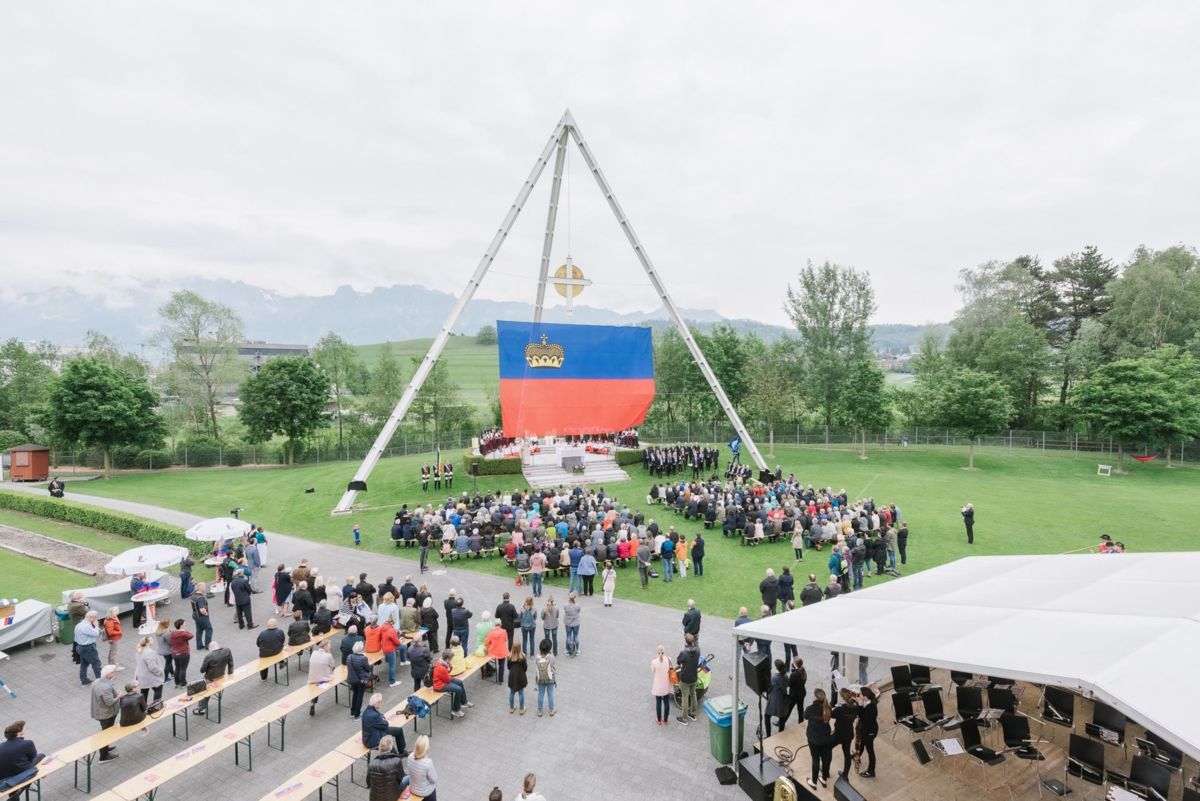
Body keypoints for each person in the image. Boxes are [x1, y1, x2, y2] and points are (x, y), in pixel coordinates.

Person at [0, 721, 44, 801]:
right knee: (41, 755)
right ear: (19, 733)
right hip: (21, 773)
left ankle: (14, 796)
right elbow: (32, 757)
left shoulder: (1, 746)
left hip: (4, 776)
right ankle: (17, 794)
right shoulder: (27, 743)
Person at [192, 641, 234, 716]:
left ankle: (201, 709)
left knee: (204, 691)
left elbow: (202, 670)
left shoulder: (209, 656)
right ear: (218, 645)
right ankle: (216, 696)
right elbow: (231, 663)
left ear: (210, 648)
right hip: (221, 675)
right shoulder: (227, 650)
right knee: (209, 689)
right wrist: (230, 673)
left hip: (210, 677)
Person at [89, 665, 122, 762]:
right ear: (108, 674)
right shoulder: (106, 687)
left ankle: (106, 748)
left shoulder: (97, 682)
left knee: (106, 732)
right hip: (106, 714)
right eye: (114, 672)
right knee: (106, 734)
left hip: (100, 712)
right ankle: (103, 756)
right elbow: (110, 702)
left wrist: (115, 693)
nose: (115, 674)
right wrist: (119, 696)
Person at [804, 688, 834, 790]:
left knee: (815, 759)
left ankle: (814, 782)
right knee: (826, 759)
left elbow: (805, 716)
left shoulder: (810, 708)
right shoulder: (828, 708)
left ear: (816, 697)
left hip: (814, 739)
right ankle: (824, 779)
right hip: (826, 738)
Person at [366, 734, 408, 801]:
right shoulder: (397, 761)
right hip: (392, 797)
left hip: (375, 798)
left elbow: (368, 783)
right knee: (408, 777)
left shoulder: (372, 764)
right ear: (391, 747)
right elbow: (401, 780)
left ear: (379, 747)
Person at [431, 649, 471, 718]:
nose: (451, 660)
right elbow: (448, 679)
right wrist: (450, 667)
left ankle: (464, 702)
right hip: (439, 686)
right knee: (458, 689)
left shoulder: (441, 662)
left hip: (443, 680)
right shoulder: (441, 668)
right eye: (451, 659)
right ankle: (456, 710)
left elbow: (447, 676)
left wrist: (450, 666)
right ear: (447, 659)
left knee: (460, 682)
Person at [833, 688, 859, 777]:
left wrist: (837, 706)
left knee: (827, 749)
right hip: (849, 734)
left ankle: (825, 770)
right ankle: (845, 774)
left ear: (842, 698)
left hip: (839, 734)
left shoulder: (840, 709)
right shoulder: (855, 707)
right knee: (847, 754)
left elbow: (832, 715)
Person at [675, 633, 700, 725]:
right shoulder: (697, 650)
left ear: (685, 641)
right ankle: (693, 714)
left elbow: (678, 661)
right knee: (693, 695)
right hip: (694, 677)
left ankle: (684, 719)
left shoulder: (683, 652)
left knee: (685, 698)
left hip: (685, 678)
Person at [307, 639, 336, 716]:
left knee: (317, 686)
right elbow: (332, 666)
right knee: (331, 673)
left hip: (312, 678)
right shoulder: (328, 655)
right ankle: (314, 701)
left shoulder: (314, 653)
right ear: (325, 646)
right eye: (329, 646)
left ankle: (313, 702)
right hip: (324, 678)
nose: (331, 647)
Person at [73, 611, 103, 685]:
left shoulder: (78, 625)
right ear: (91, 617)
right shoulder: (86, 626)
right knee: (96, 663)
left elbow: (75, 638)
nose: (96, 619)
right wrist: (96, 626)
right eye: (95, 617)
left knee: (84, 663)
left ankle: (84, 680)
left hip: (80, 647)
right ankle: (101, 681)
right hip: (88, 648)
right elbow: (96, 633)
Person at [405, 735, 438, 801]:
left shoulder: (410, 756)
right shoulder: (427, 763)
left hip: (413, 789)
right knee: (433, 788)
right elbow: (434, 779)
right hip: (425, 793)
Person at [134, 636, 165, 703]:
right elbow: (152, 667)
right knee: (158, 687)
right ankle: (156, 705)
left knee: (144, 691)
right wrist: (160, 672)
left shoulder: (139, 650)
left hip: (141, 676)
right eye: (151, 640)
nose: (153, 640)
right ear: (147, 643)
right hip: (149, 676)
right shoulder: (150, 652)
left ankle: (143, 708)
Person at [347, 641, 373, 720]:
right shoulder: (363, 658)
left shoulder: (349, 657)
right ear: (361, 649)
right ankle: (357, 715)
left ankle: (352, 712)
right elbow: (368, 669)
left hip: (352, 679)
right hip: (361, 680)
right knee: (359, 696)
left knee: (355, 694)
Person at [858, 687, 878, 778]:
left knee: (870, 751)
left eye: (860, 694)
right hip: (866, 729)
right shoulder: (868, 702)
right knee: (861, 743)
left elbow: (863, 718)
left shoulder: (871, 707)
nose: (859, 695)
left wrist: (860, 706)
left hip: (870, 731)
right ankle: (857, 757)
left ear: (865, 696)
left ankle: (871, 771)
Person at [766, 659, 790, 736]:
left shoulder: (774, 677)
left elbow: (769, 689)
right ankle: (781, 733)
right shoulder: (786, 676)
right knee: (782, 718)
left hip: (774, 700)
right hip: (782, 701)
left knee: (767, 716)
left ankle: (768, 735)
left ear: (776, 668)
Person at [650, 644, 672, 726]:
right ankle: (665, 720)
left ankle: (659, 720)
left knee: (658, 702)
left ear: (657, 652)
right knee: (666, 702)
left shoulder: (654, 662)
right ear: (664, 651)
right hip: (666, 685)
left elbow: (653, 671)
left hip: (658, 686)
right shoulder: (669, 659)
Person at [168, 618, 194, 688]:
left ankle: (177, 682)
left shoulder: (172, 633)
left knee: (177, 668)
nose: (186, 624)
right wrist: (185, 631)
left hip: (175, 653)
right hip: (184, 653)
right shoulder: (183, 633)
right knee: (183, 669)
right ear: (181, 625)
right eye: (185, 623)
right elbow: (191, 635)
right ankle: (183, 683)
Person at [534, 639, 556, 717]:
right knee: (550, 694)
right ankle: (551, 710)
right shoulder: (551, 657)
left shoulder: (537, 657)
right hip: (550, 678)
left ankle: (540, 711)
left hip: (540, 679)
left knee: (540, 694)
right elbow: (553, 666)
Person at [484, 620, 510, 685]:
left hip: (493, 652)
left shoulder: (491, 632)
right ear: (500, 624)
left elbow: (486, 642)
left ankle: (489, 671)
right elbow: (506, 639)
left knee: (485, 655)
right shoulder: (504, 631)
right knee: (501, 665)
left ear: (494, 625)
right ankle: (500, 680)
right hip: (502, 652)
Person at [507, 641, 529, 715]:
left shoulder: (509, 657)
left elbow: (508, 667)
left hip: (512, 677)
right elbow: (525, 668)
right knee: (521, 693)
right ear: (520, 648)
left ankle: (511, 708)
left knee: (512, 692)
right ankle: (522, 709)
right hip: (520, 677)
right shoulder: (522, 657)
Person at [190, 583, 213, 650]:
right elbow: (202, 609)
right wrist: (206, 613)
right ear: (201, 588)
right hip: (202, 617)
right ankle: (207, 645)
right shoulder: (200, 598)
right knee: (209, 629)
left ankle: (199, 646)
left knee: (199, 630)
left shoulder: (193, 595)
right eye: (204, 586)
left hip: (195, 615)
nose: (205, 587)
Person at [789, 657, 808, 725]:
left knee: (788, 709)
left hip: (794, 695)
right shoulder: (803, 671)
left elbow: (790, 684)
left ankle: (781, 722)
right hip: (801, 693)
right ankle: (801, 722)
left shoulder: (794, 675)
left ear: (795, 665)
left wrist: (793, 671)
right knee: (800, 709)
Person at [563, 593, 581, 657]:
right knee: (576, 637)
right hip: (576, 623)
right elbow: (579, 611)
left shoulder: (566, 605)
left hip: (568, 623)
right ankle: (577, 650)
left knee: (568, 636)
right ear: (575, 598)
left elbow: (565, 611)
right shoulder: (577, 605)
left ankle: (567, 650)